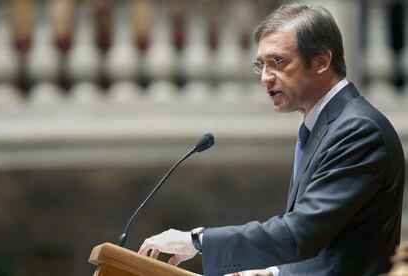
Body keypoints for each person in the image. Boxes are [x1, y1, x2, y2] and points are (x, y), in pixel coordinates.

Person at [138, 3, 405, 276]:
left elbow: (300, 233)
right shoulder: (328, 126)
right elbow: (329, 242)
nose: (266, 78)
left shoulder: (358, 130)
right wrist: (274, 273)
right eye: (261, 65)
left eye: (277, 62)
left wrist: (198, 240)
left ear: (322, 61)